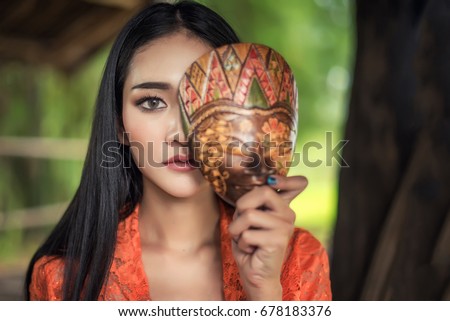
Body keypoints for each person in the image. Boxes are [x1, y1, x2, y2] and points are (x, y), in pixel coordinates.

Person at [25, 0, 331, 301]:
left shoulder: (299, 261)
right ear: (119, 125)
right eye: (152, 102)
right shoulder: (60, 279)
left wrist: (264, 294)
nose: (181, 134)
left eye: (202, 103)